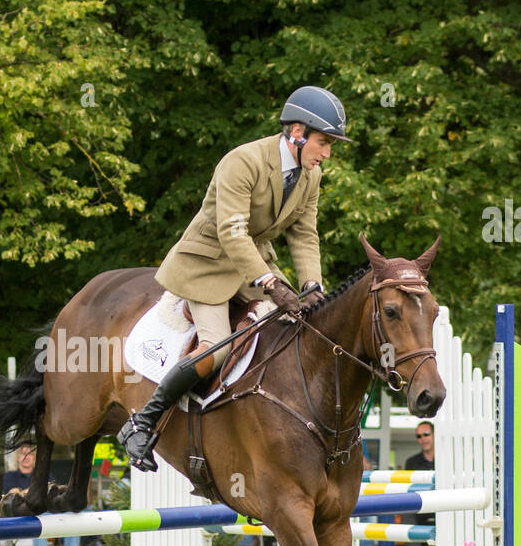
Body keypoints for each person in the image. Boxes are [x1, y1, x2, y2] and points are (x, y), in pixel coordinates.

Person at [118, 85, 351, 471]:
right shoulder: (242, 162)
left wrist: (311, 286)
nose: (326, 153)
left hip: (254, 262)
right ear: (296, 132)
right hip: (208, 263)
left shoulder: (311, 177)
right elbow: (232, 232)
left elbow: (305, 234)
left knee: (302, 325)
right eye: (323, 143)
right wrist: (272, 284)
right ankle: (143, 421)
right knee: (216, 349)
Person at [2, 442, 83, 546]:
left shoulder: (43, 474)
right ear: (17, 457)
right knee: (40, 516)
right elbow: (11, 495)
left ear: (34, 458)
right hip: (24, 517)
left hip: (48, 512)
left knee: (71, 516)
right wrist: (36, 491)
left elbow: (52, 490)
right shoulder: (10, 476)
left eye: (31, 454)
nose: (27, 457)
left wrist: (24, 492)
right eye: (23, 453)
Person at [403, 421, 435, 546]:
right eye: (419, 436)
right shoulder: (411, 462)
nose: (423, 439)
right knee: (407, 512)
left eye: (426, 434)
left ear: (434, 435)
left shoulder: (447, 458)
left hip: (443, 506)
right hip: (421, 506)